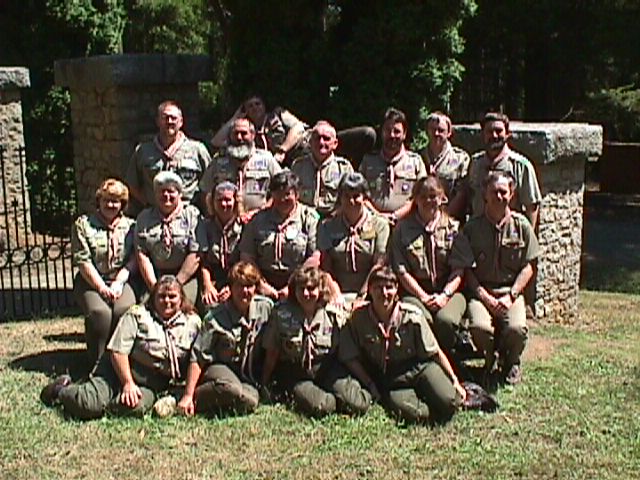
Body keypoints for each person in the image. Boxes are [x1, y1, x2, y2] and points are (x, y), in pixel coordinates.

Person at [40, 275, 202, 419]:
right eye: (161, 296)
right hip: (117, 372)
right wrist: (128, 383)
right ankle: (60, 390)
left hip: (149, 383)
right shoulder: (138, 315)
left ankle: (106, 404)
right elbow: (118, 352)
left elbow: (196, 358)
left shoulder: (192, 323)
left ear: (181, 299)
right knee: (88, 404)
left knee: (134, 406)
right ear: (153, 298)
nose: (167, 301)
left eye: (172, 296)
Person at [338, 266, 465, 424]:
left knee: (450, 402)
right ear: (369, 290)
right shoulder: (358, 319)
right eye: (378, 288)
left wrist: (454, 380)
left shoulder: (412, 316)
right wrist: (370, 384)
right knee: (417, 415)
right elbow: (351, 358)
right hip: (393, 379)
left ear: (397, 289)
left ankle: (436, 391)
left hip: (419, 368)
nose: (384, 293)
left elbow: (435, 352)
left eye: (389, 287)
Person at [450, 171, 540, 384]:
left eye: (503, 192)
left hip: (510, 292)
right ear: (485, 195)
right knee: (479, 328)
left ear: (512, 194)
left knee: (517, 329)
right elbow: (467, 270)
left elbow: (529, 266)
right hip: (482, 292)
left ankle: (511, 361)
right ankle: (490, 357)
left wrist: (512, 295)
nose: (499, 196)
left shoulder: (522, 226)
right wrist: (483, 296)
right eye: (494, 192)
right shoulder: (472, 228)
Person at [261, 266, 370, 417]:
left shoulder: (332, 314)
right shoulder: (282, 314)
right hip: (297, 373)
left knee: (358, 404)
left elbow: (347, 355)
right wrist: (264, 383)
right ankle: (330, 400)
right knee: (323, 406)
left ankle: (341, 397)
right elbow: (272, 354)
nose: (306, 294)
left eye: (311, 288)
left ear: (320, 290)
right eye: (301, 289)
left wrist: (369, 383)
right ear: (294, 290)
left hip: (326, 368)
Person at [178, 262, 272, 416]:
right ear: (231, 287)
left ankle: (223, 399)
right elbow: (198, 357)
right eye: (239, 286)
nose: (245, 291)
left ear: (256, 288)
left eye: (249, 286)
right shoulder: (215, 317)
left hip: (246, 374)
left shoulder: (265, 308)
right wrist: (188, 394)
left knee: (250, 401)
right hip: (220, 368)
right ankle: (191, 398)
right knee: (231, 388)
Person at [389, 176, 466, 354]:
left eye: (433, 196)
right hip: (415, 292)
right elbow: (402, 271)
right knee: (421, 318)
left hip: (449, 290)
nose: (428, 201)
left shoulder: (453, 228)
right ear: (415, 199)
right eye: (423, 196)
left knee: (446, 320)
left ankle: (448, 357)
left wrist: (444, 296)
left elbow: (459, 270)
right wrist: (423, 297)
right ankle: (424, 358)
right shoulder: (402, 229)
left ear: (442, 198)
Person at [71, 179, 138, 367]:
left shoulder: (132, 226)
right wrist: (101, 288)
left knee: (124, 310)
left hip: (121, 280)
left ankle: (122, 362)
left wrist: (119, 282)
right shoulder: (83, 225)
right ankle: (98, 364)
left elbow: (135, 258)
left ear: (122, 203)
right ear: (98, 201)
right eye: (106, 200)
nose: (110, 205)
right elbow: (83, 261)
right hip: (91, 281)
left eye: (115, 201)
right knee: (100, 313)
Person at [212, 94, 377, 166]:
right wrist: (235, 117)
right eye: (250, 106)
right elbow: (216, 142)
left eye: (258, 104)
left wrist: (283, 150)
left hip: (316, 143)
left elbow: (298, 128)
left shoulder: (278, 114)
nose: (255, 108)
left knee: (367, 134)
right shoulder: (245, 132)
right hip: (301, 165)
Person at [239, 171, 320, 300]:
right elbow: (246, 255)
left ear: (297, 194)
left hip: (300, 285)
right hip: (262, 282)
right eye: (278, 194)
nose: (283, 199)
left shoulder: (309, 219)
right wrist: (260, 284)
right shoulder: (258, 220)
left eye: (287, 194)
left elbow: (314, 257)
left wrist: (292, 286)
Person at [126, 100, 212, 214]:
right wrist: (148, 203)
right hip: (154, 215)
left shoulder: (197, 150)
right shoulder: (143, 151)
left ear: (181, 122)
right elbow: (132, 184)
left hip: (188, 214)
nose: (169, 121)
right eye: (165, 118)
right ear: (157, 121)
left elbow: (209, 183)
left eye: (173, 118)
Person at [134, 172, 206, 304]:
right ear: (155, 194)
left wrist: (177, 284)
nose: (166, 195)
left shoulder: (192, 215)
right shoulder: (144, 218)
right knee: (149, 306)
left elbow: (196, 254)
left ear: (180, 194)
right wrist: (155, 286)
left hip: (184, 276)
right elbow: (141, 254)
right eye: (162, 191)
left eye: (171, 191)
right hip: (155, 275)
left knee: (185, 306)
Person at [318, 172, 389, 301]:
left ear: (365, 198)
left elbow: (379, 264)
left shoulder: (380, 225)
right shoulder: (327, 226)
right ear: (340, 198)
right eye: (346, 196)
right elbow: (326, 267)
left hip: (370, 292)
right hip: (336, 291)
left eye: (356, 196)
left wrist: (363, 295)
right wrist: (335, 292)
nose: (351, 201)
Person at [467, 112, 542, 229]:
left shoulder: (521, 166)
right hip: (479, 234)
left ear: (507, 134)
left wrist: (527, 235)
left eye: (499, 131)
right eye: (489, 131)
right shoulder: (475, 164)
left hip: (509, 233)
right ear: (483, 135)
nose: (494, 135)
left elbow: (531, 207)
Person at [199, 118, 282, 214]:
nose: (239, 138)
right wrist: (212, 215)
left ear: (253, 135)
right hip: (226, 219)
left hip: (259, 218)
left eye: (244, 133)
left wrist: (264, 210)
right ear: (230, 136)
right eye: (235, 133)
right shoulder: (218, 162)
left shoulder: (266, 159)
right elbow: (205, 192)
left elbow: (282, 188)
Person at [359, 107, 427, 223]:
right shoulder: (368, 161)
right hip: (372, 221)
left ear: (404, 134)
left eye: (397, 131)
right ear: (382, 132)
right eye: (387, 130)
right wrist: (378, 217)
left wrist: (396, 216)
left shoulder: (416, 162)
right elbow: (360, 194)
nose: (392, 135)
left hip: (407, 223)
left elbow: (420, 196)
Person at [291, 121, 354, 218]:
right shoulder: (298, 166)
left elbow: (350, 199)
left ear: (335, 144)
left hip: (333, 219)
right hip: (304, 218)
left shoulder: (344, 168)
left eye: (326, 139)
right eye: (317, 138)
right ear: (310, 142)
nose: (321, 142)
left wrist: (333, 217)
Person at [200, 181, 245, 309]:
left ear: (235, 201)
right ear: (212, 202)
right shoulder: (205, 226)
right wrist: (208, 285)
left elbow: (246, 261)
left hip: (238, 277)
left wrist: (232, 287)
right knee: (209, 304)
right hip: (213, 276)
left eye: (228, 200)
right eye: (219, 200)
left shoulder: (244, 226)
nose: (224, 204)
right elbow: (203, 262)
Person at [420, 112, 471, 220]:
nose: (436, 133)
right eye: (433, 129)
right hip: (420, 219)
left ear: (449, 133)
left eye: (441, 130)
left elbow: (461, 194)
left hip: (450, 220)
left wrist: (442, 219)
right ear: (427, 131)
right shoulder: (417, 158)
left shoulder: (461, 159)